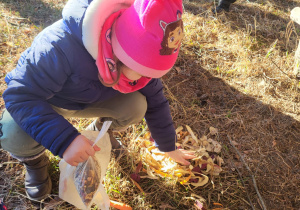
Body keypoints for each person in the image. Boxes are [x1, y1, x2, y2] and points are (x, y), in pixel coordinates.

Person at [0, 0, 196, 202]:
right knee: (14, 132)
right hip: (47, 102)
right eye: (140, 73)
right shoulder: (58, 47)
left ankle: (101, 130)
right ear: (118, 51)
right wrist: (65, 140)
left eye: (150, 75)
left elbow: (157, 101)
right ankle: (35, 163)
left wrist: (167, 145)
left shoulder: (140, 68)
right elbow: (20, 95)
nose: (145, 80)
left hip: (90, 100)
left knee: (137, 105)